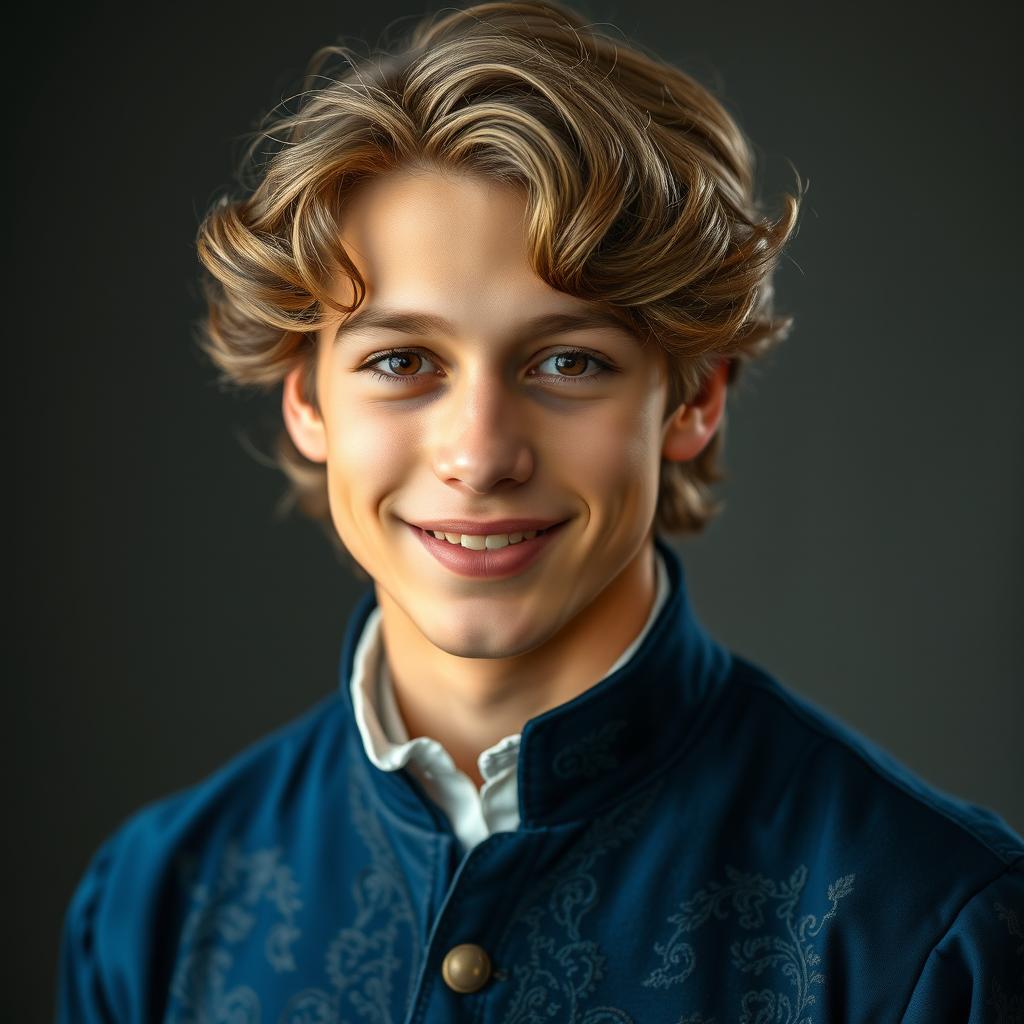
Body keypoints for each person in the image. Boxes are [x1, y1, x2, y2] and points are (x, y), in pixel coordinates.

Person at [55, 1, 1023, 1021]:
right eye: (400, 361)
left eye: (568, 361)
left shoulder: (935, 927)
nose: (478, 455)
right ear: (305, 399)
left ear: (693, 399)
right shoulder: (152, 904)